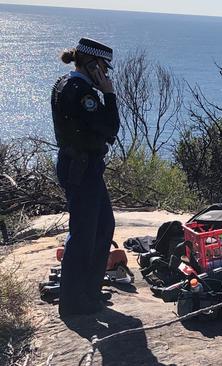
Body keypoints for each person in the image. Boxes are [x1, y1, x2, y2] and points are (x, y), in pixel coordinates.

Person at [51, 38, 120, 317]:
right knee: (83, 233)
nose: (106, 74)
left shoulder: (65, 83)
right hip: (82, 167)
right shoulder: (83, 93)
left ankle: (88, 292)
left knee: (103, 226)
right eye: (104, 68)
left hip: (80, 165)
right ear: (92, 65)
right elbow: (109, 127)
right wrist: (110, 95)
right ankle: (72, 301)